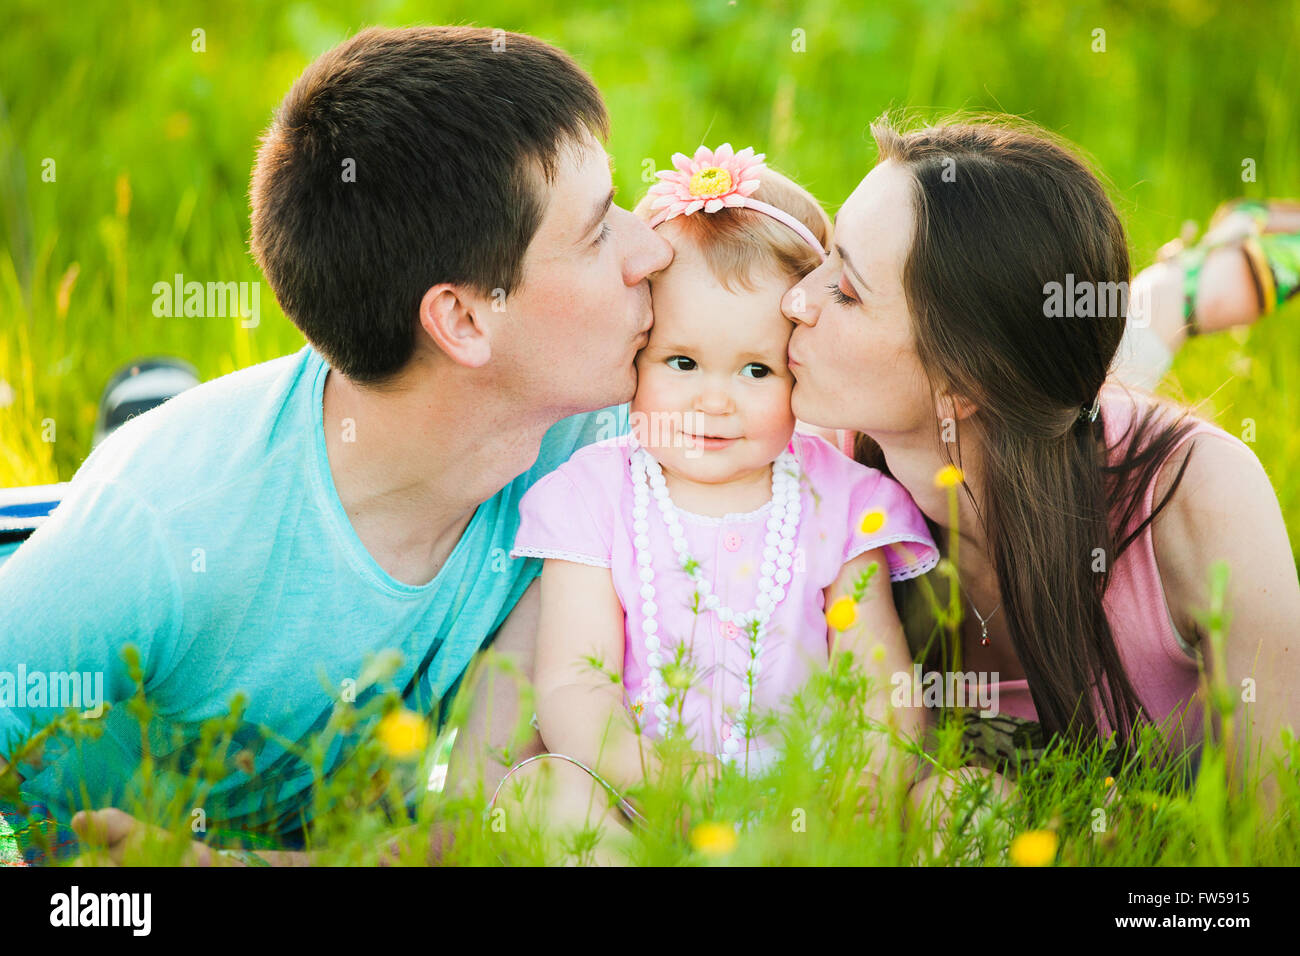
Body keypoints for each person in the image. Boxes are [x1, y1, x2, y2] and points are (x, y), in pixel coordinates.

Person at [0, 25, 672, 865]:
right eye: (601, 229)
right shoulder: (168, 525)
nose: (655, 248)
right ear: (463, 320)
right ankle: (142, 413)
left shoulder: (596, 427)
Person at [781, 116, 1300, 823]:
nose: (795, 299)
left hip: (1063, 437)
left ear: (960, 379)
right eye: (826, 258)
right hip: (1012, 411)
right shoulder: (816, 464)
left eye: (845, 290)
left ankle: (1203, 276)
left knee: (1133, 331)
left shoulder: (1199, 497)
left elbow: (1274, 825)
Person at [489, 145, 938, 862]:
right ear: (638, 352)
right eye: (683, 362)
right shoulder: (592, 497)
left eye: (757, 369)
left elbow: (881, 682)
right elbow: (576, 682)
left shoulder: (845, 502)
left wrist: (859, 793)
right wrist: (665, 778)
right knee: (538, 792)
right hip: (646, 810)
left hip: (808, 813)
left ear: (799, 369)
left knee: (968, 800)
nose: (715, 400)